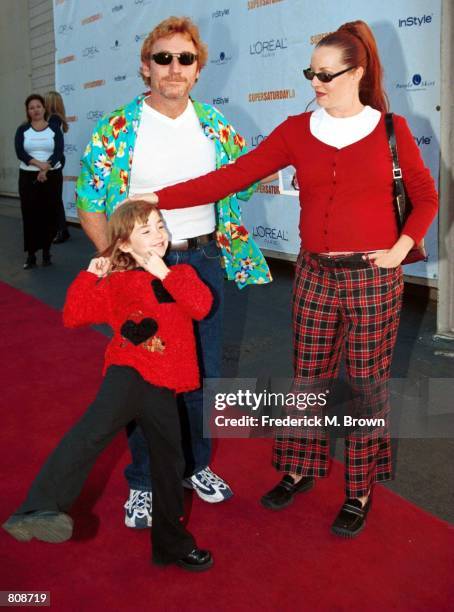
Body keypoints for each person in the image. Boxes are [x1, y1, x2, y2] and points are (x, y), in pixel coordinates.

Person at [134, 20, 438, 537]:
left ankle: (359, 489)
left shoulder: (391, 130)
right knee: (307, 380)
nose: (314, 83)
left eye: (326, 74)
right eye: (309, 72)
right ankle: (299, 469)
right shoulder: (297, 129)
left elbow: (426, 197)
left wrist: (401, 249)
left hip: (373, 276)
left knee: (365, 387)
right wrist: (157, 198)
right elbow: (231, 176)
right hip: (315, 274)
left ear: (357, 72)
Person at [76, 16, 271, 529]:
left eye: (185, 59)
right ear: (146, 67)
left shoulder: (216, 126)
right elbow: (90, 201)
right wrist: (119, 263)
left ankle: (195, 467)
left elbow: (243, 182)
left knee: (202, 373)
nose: (174, 68)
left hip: (203, 262)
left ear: (198, 68)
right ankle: (143, 481)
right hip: (141, 272)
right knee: (146, 375)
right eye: (163, 58)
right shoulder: (118, 128)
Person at [2, 199, 214, 571]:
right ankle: (38, 508)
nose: (158, 235)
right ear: (125, 244)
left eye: (160, 226)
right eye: (145, 231)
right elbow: (74, 316)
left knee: (170, 463)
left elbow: (200, 306)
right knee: (93, 432)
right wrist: (89, 274)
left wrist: (165, 273)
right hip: (129, 371)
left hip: (164, 383)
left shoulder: (178, 275)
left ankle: (171, 545)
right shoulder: (118, 281)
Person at [15, 94, 64, 268]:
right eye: (31, 107)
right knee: (30, 215)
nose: (35, 110)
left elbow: (59, 151)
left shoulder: (53, 129)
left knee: (48, 214)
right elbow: (20, 152)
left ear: (44, 108)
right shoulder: (22, 130)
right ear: (28, 112)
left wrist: (46, 168)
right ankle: (31, 255)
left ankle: (46, 253)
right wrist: (39, 165)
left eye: (38, 106)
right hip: (28, 177)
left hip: (52, 176)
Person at [45, 91, 71, 244]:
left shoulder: (54, 120)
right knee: (54, 198)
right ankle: (60, 229)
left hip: (52, 163)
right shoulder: (57, 119)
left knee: (54, 199)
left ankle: (61, 230)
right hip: (56, 162)